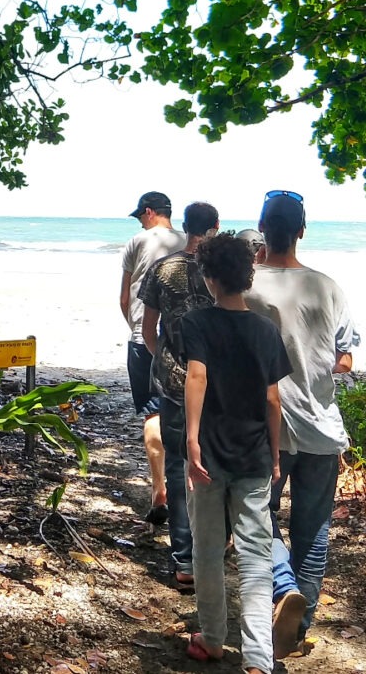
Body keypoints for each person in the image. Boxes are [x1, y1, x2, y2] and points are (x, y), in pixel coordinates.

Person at [244, 190, 360, 660]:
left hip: (262, 426)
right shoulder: (326, 287)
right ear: (302, 231)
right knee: (313, 530)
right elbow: (344, 360)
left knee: (255, 516)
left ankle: (283, 587)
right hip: (320, 425)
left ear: (261, 228)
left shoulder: (246, 287)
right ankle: (295, 628)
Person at [181, 233, 292, 674]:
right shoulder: (266, 330)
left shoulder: (196, 323)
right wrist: (275, 452)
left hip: (208, 455)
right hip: (253, 456)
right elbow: (272, 399)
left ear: (210, 277)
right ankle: (259, 659)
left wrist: (192, 439)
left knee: (207, 550)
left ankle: (212, 639)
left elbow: (196, 377)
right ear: (247, 276)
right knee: (255, 555)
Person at [140, 201, 218, 584]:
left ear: (185, 227)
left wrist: (167, 358)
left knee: (176, 465)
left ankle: (184, 561)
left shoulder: (162, 268)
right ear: (215, 227)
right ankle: (214, 549)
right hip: (216, 381)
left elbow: (147, 331)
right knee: (214, 463)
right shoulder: (222, 270)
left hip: (173, 382)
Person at [120, 192, 187, 525]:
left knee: (153, 412)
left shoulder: (137, 242)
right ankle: (186, 485)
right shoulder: (189, 241)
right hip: (184, 341)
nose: (140, 223)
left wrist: (135, 327)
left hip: (142, 338)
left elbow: (124, 296)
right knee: (187, 412)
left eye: (140, 217)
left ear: (149, 212)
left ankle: (159, 489)